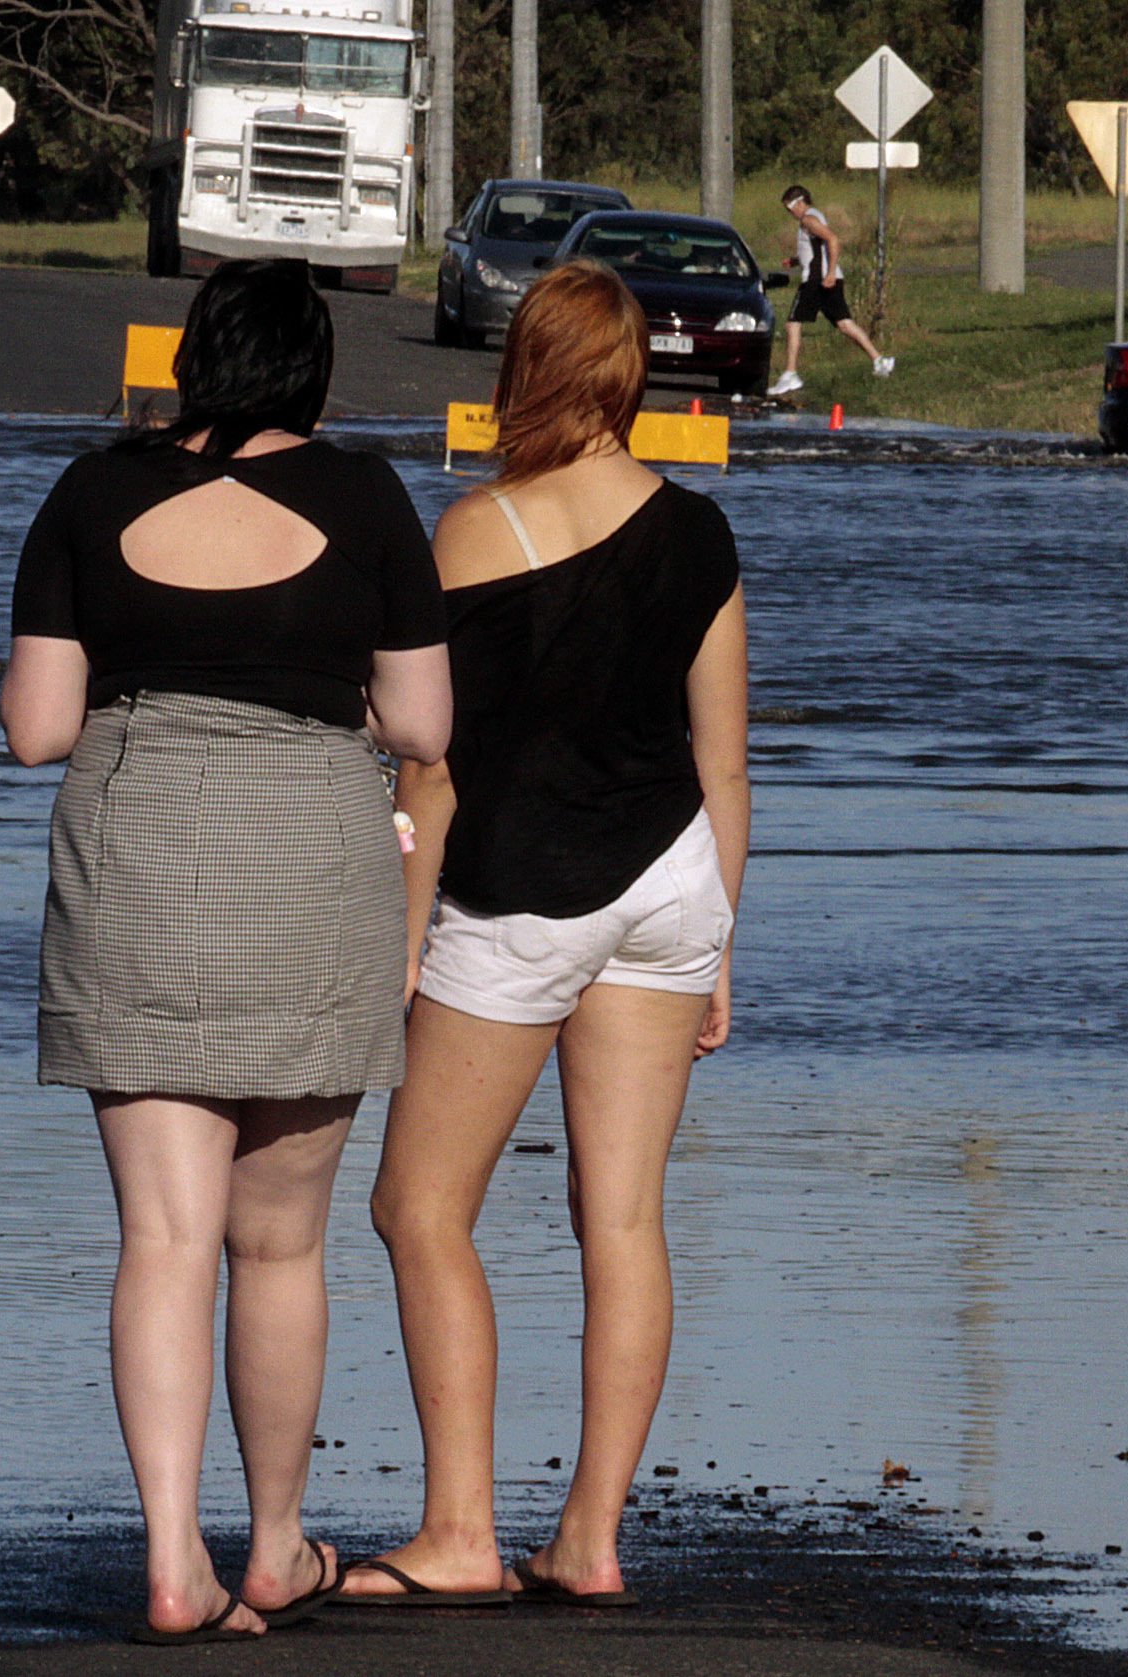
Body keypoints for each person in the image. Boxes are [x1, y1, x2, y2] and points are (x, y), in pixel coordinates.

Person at [0, 257, 453, 1644]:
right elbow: (425, 724)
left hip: (137, 845)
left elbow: (35, 728)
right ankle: (269, 1549)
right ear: (314, 369)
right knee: (281, 1244)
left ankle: (169, 1560)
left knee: (164, 1236)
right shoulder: (371, 498)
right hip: (311, 851)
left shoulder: (89, 492)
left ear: (193, 356)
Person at [346, 258, 748, 1609]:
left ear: (527, 373)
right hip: (672, 883)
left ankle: (460, 1530)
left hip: (523, 896)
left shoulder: (473, 533)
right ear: (631, 381)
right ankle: (589, 1535)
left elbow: (430, 771)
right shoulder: (699, 532)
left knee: (417, 1204)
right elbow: (726, 762)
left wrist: (403, 945)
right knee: (623, 1218)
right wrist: (722, 938)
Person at [766, 182, 892, 394]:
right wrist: (797, 260)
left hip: (817, 280)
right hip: (826, 278)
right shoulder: (815, 216)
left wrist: (830, 272)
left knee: (793, 324)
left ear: (799, 203)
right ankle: (879, 360)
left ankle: (790, 374)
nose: (790, 213)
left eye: (789, 208)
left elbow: (833, 240)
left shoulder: (808, 219)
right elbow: (818, 248)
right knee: (844, 323)